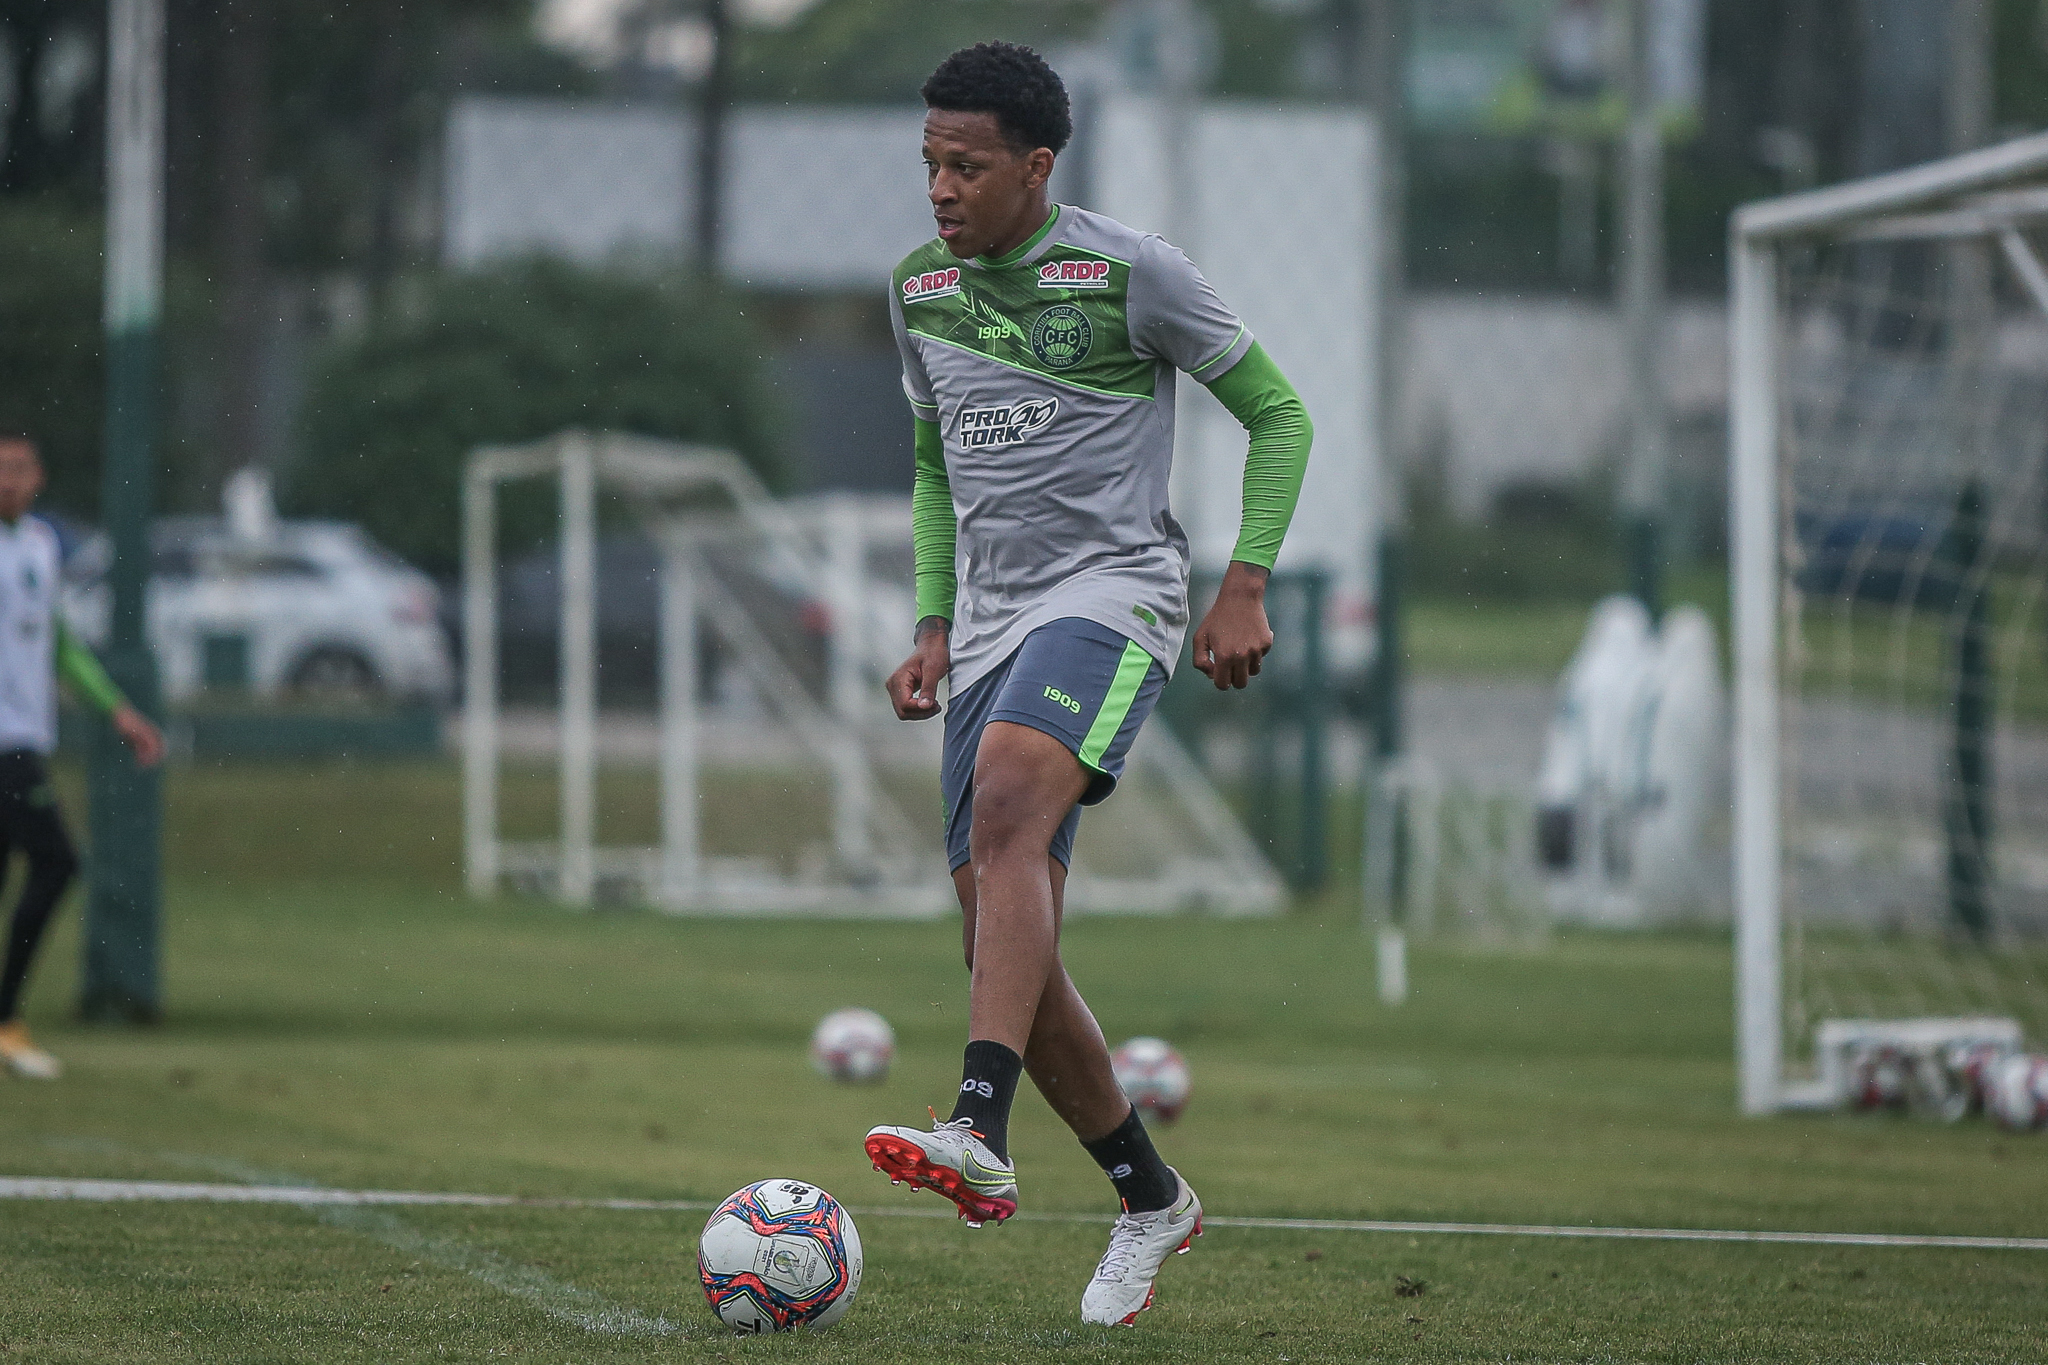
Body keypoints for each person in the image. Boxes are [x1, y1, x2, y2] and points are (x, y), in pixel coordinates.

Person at [862, 43, 1313, 1326]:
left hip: (1112, 596)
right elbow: (935, 467)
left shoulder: (1127, 271)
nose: (941, 189)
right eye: (929, 163)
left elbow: (1277, 414)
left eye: (967, 165)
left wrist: (1245, 582)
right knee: (1001, 936)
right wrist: (936, 621)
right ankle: (1148, 1198)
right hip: (990, 628)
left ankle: (974, 1128)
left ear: (1036, 165)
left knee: (1008, 804)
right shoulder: (915, 289)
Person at [0, 434, 164, 1080]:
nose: (7, 480)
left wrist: (116, 708)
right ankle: (5, 1018)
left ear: (38, 476)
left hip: (24, 736)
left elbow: (59, 642)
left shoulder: (40, 546)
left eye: (17, 469)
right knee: (57, 860)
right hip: (4, 746)